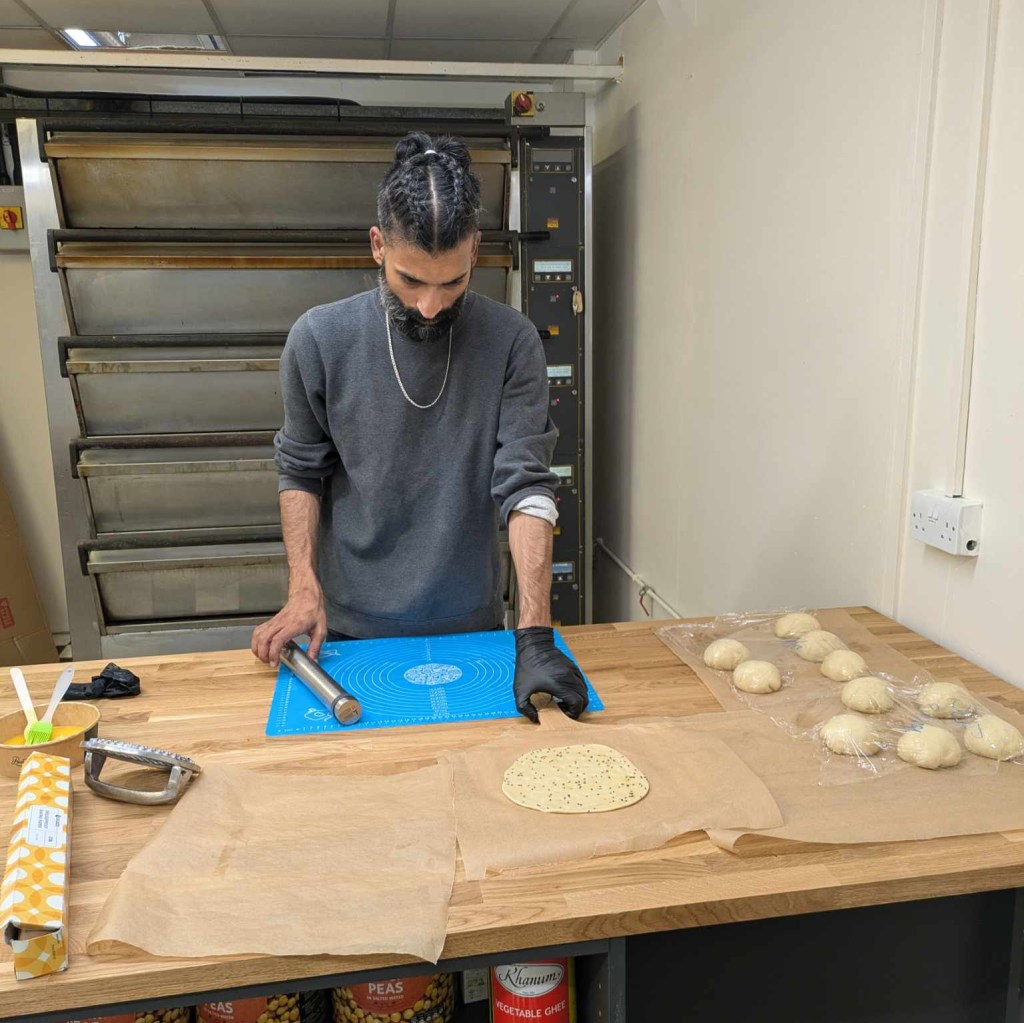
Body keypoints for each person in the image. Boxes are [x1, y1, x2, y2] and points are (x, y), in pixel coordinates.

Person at [251, 132, 588, 723]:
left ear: (476, 251)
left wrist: (534, 633)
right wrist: (303, 586)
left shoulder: (513, 341)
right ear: (378, 246)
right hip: (350, 634)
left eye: (452, 283)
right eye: (412, 281)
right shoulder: (319, 339)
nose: (431, 305)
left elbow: (526, 485)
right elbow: (300, 470)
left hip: (474, 629)